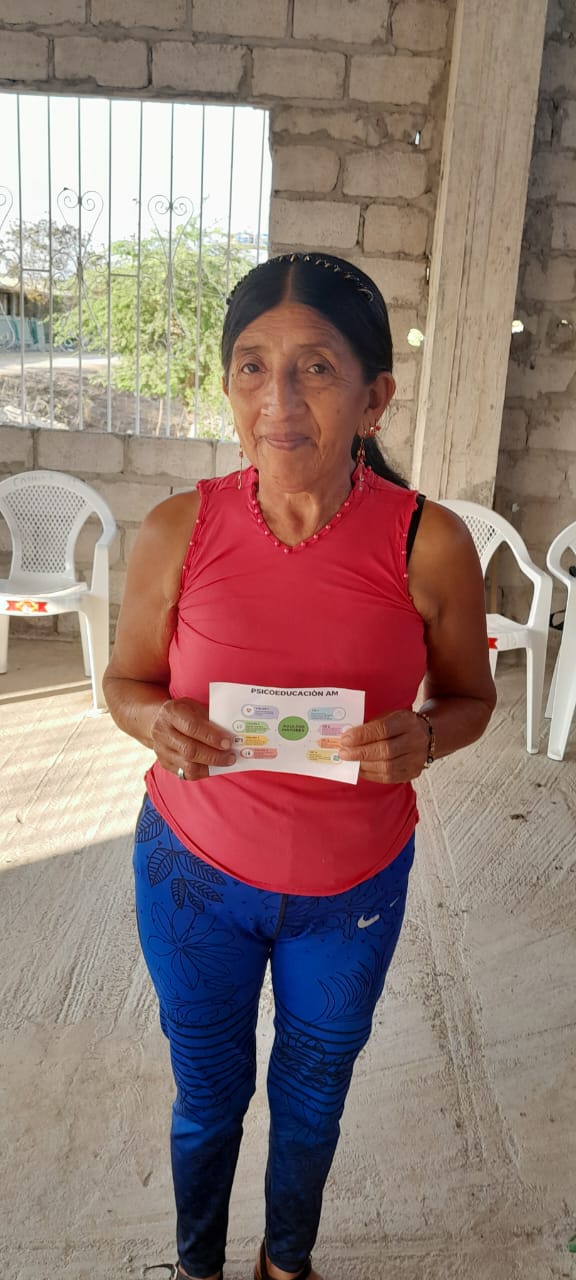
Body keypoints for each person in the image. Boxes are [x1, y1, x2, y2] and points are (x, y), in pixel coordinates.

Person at [103, 252, 496, 1280]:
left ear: (375, 398)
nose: (277, 399)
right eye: (252, 366)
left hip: (351, 893)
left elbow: (472, 698)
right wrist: (155, 723)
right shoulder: (178, 529)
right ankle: (197, 1264)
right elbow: (124, 682)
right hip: (193, 879)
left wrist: (425, 738)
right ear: (229, 385)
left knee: (314, 1099)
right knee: (208, 1095)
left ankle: (286, 1264)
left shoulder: (428, 543)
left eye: (315, 367)